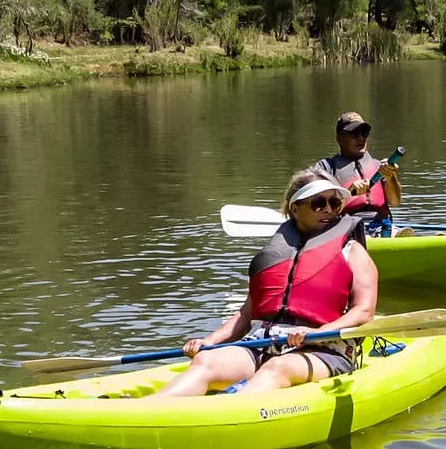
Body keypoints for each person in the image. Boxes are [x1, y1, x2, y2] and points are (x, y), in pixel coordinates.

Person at [159, 169, 378, 397]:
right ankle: (147, 409)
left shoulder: (353, 252)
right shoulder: (275, 256)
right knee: (206, 361)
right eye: (318, 203)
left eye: (335, 203)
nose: (328, 209)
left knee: (277, 368)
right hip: (262, 343)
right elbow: (246, 315)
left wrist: (320, 331)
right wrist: (208, 341)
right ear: (295, 208)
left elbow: (364, 311)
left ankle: (227, 416)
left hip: (322, 347)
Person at [313, 111, 403, 235]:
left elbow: (395, 202)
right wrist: (348, 193)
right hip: (347, 229)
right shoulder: (326, 168)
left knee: (393, 232)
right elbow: (318, 208)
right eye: (354, 134)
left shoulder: (379, 166)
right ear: (339, 139)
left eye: (364, 133)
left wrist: (391, 177)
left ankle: (397, 237)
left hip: (383, 225)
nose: (361, 138)